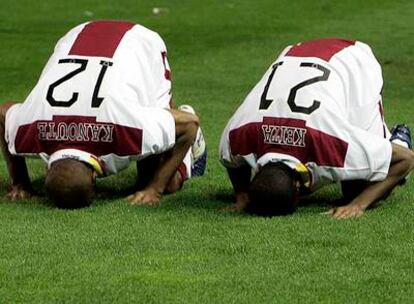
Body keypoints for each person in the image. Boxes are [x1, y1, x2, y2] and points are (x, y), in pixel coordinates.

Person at [0, 20, 207, 208]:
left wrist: (155, 189)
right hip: (79, 32)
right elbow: (3, 113)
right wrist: (20, 183)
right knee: (149, 168)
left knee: (166, 182)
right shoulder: (28, 131)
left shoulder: (127, 131)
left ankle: (189, 146)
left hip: (140, 44)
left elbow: (189, 125)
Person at [219, 38, 414, 219]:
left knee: (358, 188)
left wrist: (358, 205)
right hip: (297, 52)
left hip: (354, 63)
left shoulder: (331, 143)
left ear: (298, 188)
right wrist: (242, 196)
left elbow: (406, 159)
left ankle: (398, 139)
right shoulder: (240, 135)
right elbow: (231, 160)